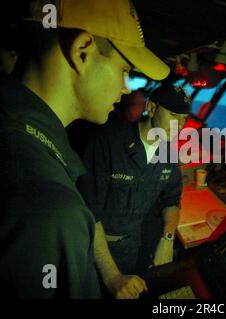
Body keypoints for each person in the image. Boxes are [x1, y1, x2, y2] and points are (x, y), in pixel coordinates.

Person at [0, 0, 169, 298]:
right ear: (82, 51)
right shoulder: (48, 207)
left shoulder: (4, 128)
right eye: (124, 69)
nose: (126, 87)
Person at [77, 85, 191, 298]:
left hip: (131, 246)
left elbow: (172, 200)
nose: (180, 125)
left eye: (184, 118)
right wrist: (112, 277)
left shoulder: (168, 154)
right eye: (174, 115)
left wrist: (167, 239)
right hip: (93, 248)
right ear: (152, 108)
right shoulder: (109, 140)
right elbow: (88, 213)